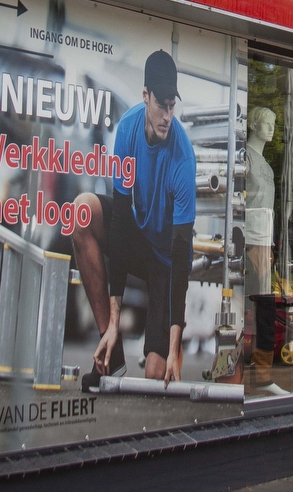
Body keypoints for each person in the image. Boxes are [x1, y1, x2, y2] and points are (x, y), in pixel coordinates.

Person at [71, 50, 196, 391]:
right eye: (161, 105)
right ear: (145, 97)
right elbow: (121, 226)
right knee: (83, 211)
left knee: (157, 378)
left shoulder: (183, 158)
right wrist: (114, 322)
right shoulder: (126, 131)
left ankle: (161, 354)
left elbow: (182, 255)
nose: (167, 115)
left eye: (172, 106)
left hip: (167, 262)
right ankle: (111, 354)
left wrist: (174, 348)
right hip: (138, 237)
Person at [244, 106, 289, 395]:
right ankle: (254, 374)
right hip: (248, 241)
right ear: (252, 124)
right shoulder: (244, 158)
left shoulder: (267, 166)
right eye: (266, 123)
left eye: (274, 123)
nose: (272, 128)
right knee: (250, 308)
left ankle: (261, 375)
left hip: (264, 243)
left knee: (263, 311)